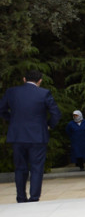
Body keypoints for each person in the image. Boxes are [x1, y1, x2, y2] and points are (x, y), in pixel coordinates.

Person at [0, 70, 62, 202]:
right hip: (37, 135)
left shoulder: (11, 92)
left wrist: (12, 120)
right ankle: (34, 197)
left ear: (24, 79)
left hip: (17, 135)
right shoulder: (44, 93)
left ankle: (21, 197)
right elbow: (56, 113)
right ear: (40, 81)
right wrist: (49, 125)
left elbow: (2, 109)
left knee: (20, 167)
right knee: (36, 167)